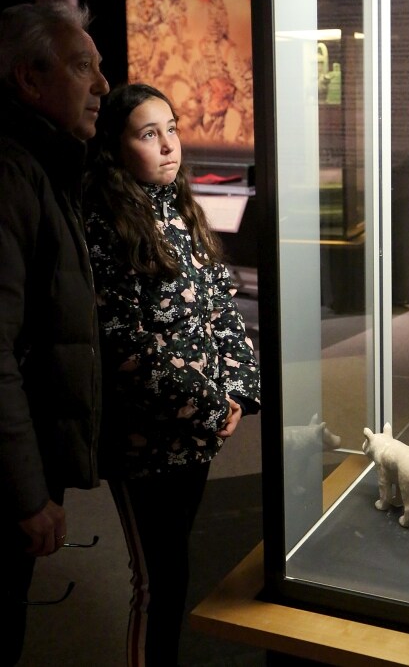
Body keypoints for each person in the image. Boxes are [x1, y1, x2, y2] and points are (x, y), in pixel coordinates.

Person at [83, 82, 261, 667]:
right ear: (116, 145)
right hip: (145, 441)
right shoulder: (104, 224)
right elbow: (125, 347)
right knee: (154, 581)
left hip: (197, 434)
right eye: (148, 133)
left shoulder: (182, 212)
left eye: (172, 128)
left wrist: (235, 389)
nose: (168, 145)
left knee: (177, 567)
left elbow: (221, 307)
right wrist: (210, 408)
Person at [0, 1, 109, 666]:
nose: (101, 85)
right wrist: (25, 491)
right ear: (30, 80)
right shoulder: (12, 174)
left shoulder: (41, 167)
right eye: (81, 68)